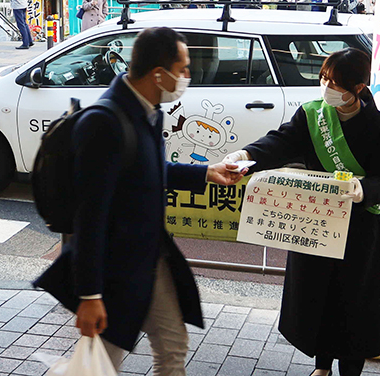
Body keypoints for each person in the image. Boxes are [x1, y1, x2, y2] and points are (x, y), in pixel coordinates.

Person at [36, 27, 244, 376]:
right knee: (101, 362)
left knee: (172, 344)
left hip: (148, 256)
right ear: (159, 74)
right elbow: (91, 215)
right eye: (183, 69)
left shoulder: (149, 110)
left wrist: (207, 172)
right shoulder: (104, 122)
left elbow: (147, 171)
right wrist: (89, 295)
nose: (187, 77)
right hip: (114, 267)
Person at [222, 49, 380, 376]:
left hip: (357, 232)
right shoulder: (311, 115)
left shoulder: (378, 127)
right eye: (323, 78)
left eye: (335, 83)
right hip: (315, 223)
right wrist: (246, 154)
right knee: (318, 297)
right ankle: (322, 365)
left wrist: (362, 190)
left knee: (353, 305)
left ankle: (350, 369)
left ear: (359, 87)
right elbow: (280, 143)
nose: (326, 87)